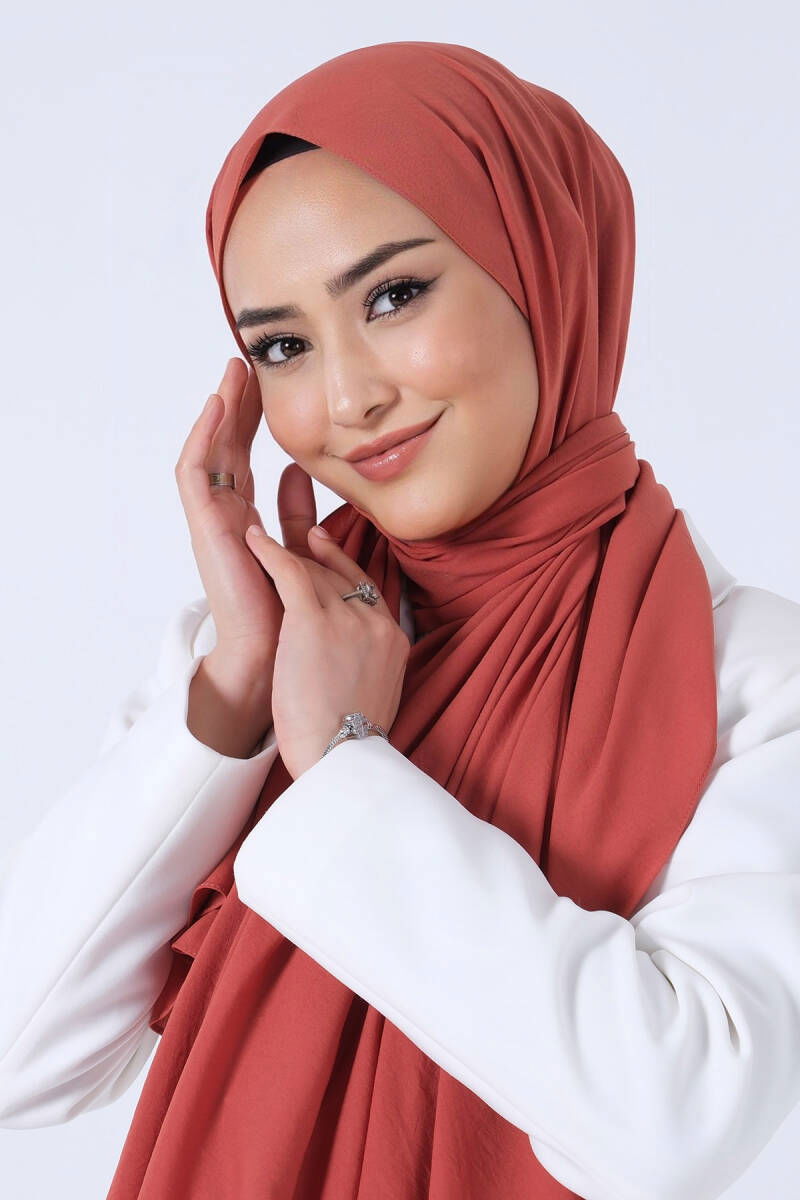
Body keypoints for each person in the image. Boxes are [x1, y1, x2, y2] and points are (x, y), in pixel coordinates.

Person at [1, 39, 798, 1200]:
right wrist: (235, 691)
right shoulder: (272, 650)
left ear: (543, 266)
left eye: (392, 296)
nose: (346, 398)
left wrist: (341, 767)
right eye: (283, 347)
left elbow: (670, 1128)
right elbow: (20, 1061)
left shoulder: (754, 679)